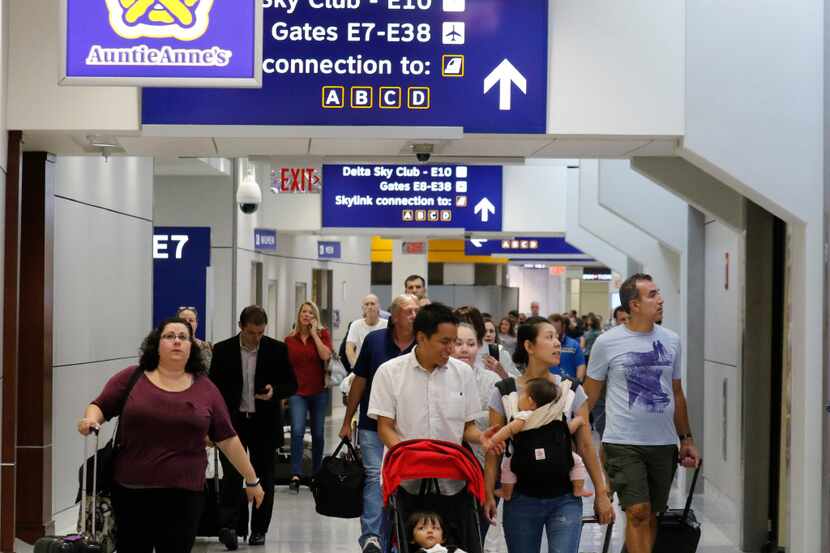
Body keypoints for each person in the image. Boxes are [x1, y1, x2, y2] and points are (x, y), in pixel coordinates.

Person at [78, 317, 266, 553]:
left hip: (184, 494)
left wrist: (252, 480)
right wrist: (91, 420)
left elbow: (227, 439)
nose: (176, 341)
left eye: (183, 337)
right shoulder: (132, 377)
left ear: (191, 346)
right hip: (132, 490)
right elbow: (101, 406)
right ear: (156, 344)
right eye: (169, 336)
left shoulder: (205, 388)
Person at [584, 274, 700, 553]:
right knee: (637, 510)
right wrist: (577, 438)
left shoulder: (671, 341)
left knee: (650, 515)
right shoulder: (607, 343)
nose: (660, 300)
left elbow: (677, 393)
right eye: (652, 295)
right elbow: (589, 396)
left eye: (658, 293)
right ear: (634, 305)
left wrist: (686, 439)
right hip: (622, 442)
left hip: (662, 443)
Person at [484, 317, 613, 553]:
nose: (557, 344)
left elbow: (585, 446)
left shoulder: (571, 390)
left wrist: (601, 493)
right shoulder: (505, 392)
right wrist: (488, 492)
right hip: (520, 498)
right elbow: (495, 450)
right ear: (529, 346)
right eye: (549, 337)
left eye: (557, 337)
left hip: (565, 498)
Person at [210, 305, 297, 549]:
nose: (256, 338)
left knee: (264, 477)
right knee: (233, 475)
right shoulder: (223, 350)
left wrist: (274, 392)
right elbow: (213, 389)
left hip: (264, 422)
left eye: (260, 333)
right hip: (233, 422)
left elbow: (292, 384)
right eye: (251, 333)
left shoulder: (276, 349)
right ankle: (231, 527)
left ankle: (259, 529)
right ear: (241, 328)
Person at [338, 293, 419, 553]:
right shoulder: (374, 341)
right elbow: (359, 381)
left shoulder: (422, 343)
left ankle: (398, 536)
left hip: (407, 426)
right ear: (394, 316)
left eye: (416, 311)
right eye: (409, 311)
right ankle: (372, 537)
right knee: (375, 477)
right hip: (373, 424)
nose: (414, 316)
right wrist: (347, 419)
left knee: (402, 480)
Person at [368, 302, 498, 459]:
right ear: (422, 338)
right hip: (405, 474)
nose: (451, 348)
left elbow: (467, 427)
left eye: (453, 341)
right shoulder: (389, 372)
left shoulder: (463, 373)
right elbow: (385, 428)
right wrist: (408, 458)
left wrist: (481, 437)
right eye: (445, 342)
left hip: (450, 474)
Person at [482, 378, 592, 501]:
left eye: (522, 395)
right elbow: (566, 431)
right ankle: (578, 488)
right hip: (556, 458)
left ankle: (506, 491)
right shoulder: (553, 416)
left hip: (525, 459)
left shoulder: (523, 416)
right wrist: (578, 421)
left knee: (508, 465)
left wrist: (492, 441)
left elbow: (508, 430)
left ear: (530, 402)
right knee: (577, 461)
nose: (519, 397)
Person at [285, 301, 332, 493]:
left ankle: (316, 472)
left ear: (315, 317)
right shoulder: (289, 339)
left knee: (318, 433)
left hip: (318, 391)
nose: (306, 315)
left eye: (310, 313)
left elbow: (325, 356)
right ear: (299, 315)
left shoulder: (323, 334)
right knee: (296, 431)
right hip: (297, 392)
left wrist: (314, 334)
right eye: (304, 312)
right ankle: (295, 473)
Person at [454, 305, 519, 379]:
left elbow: (518, 384)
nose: (464, 330)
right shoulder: (450, 351)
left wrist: (503, 374)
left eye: (468, 326)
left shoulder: (496, 352)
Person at [345, 294, 388, 367]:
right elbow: (349, 349)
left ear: (378, 307)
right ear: (362, 308)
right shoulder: (355, 325)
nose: (370, 307)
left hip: (382, 366)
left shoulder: (387, 325)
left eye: (372, 304)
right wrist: (356, 367)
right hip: (361, 366)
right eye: (366, 304)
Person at [548, 314, 586, 381]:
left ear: (563, 327)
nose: (556, 335)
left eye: (557, 331)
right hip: (549, 385)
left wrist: (578, 383)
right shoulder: (544, 346)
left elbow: (580, 365)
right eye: (552, 332)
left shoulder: (574, 345)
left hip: (570, 386)